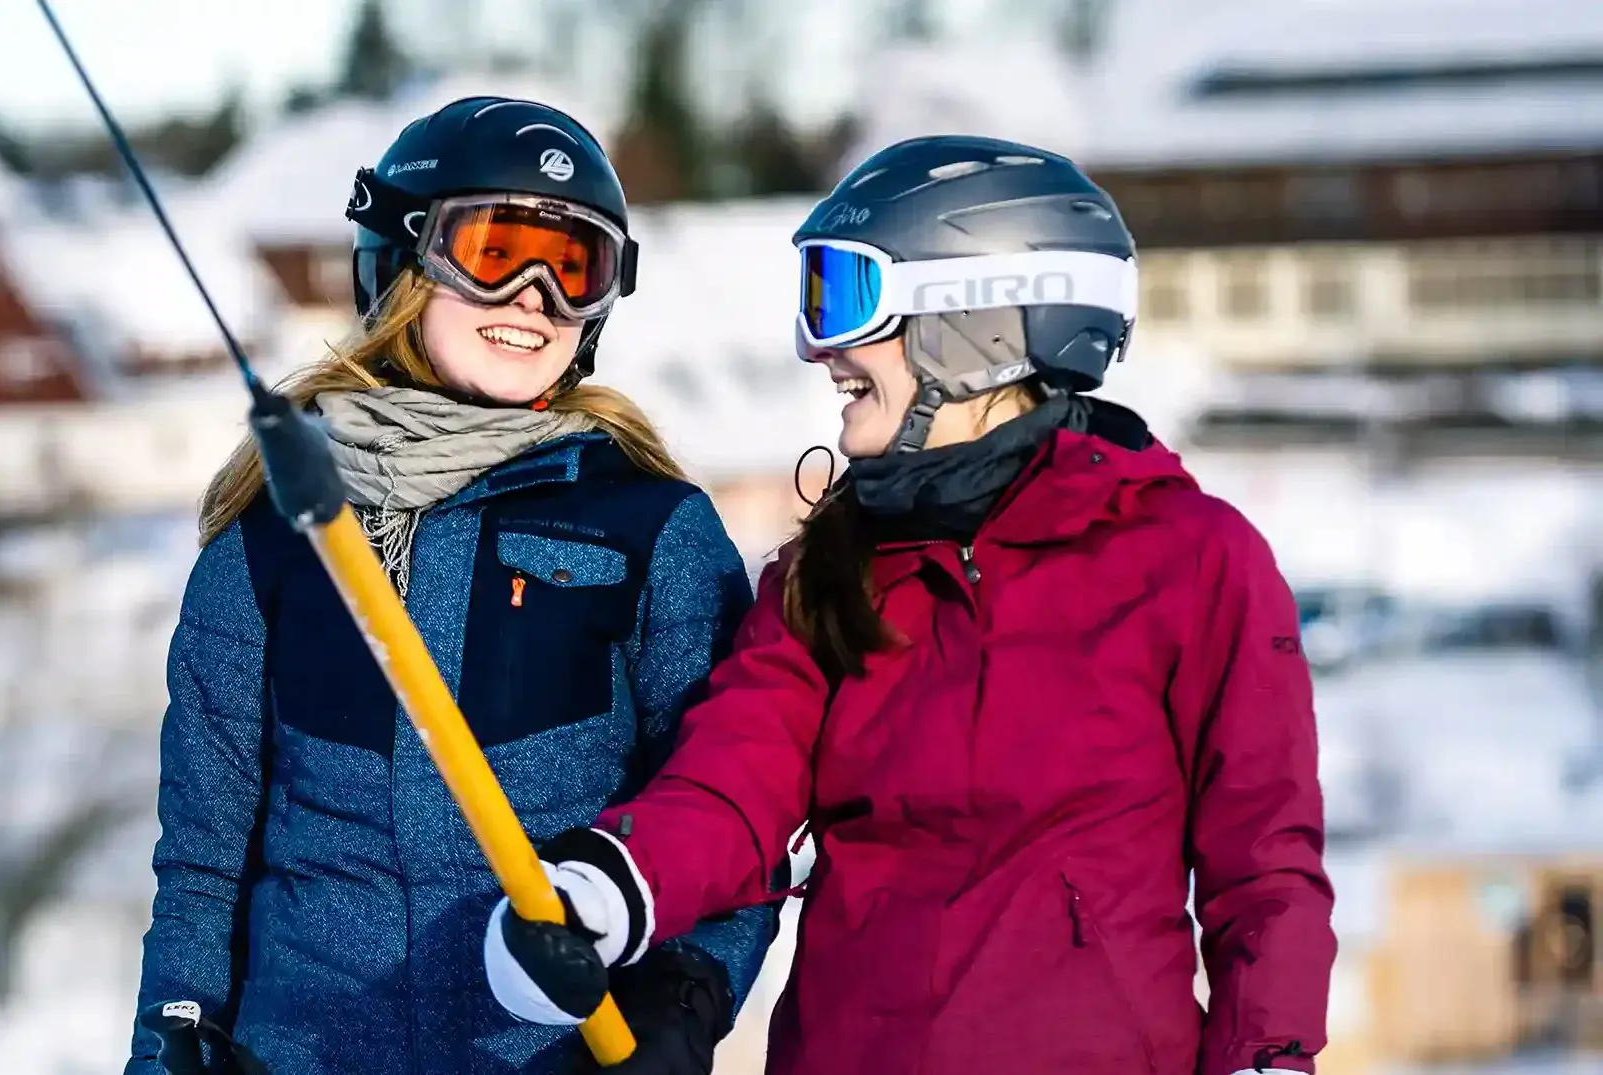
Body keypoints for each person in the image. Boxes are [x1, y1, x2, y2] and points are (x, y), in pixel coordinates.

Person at [483, 136, 1337, 1075]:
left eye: (844, 298)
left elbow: (1265, 865)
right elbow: (732, 786)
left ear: (979, 327)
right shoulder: (830, 576)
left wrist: (1270, 1054)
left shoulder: (1189, 560)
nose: (822, 348)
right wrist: (614, 884)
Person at [125, 96, 776, 1075]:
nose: (532, 296)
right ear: (400, 261)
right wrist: (174, 1036)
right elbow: (206, 856)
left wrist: (681, 1000)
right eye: (496, 248)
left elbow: (728, 810)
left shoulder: (653, 531)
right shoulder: (276, 540)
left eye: (574, 266)